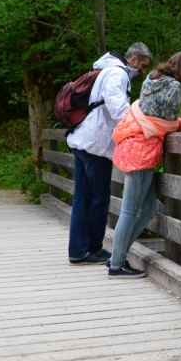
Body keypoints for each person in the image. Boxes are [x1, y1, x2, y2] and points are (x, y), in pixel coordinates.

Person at [107, 51, 181, 278]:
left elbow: (151, 114)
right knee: (129, 212)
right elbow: (164, 123)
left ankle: (116, 257)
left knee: (149, 208)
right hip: (143, 150)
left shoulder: (153, 78)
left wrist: (178, 123)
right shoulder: (175, 88)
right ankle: (117, 264)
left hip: (132, 143)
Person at [66, 43, 153, 265]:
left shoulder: (105, 70)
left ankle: (78, 250)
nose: (142, 72)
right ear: (132, 59)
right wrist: (144, 124)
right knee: (99, 198)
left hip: (84, 139)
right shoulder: (117, 73)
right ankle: (93, 248)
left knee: (82, 197)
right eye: (142, 66)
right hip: (97, 144)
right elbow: (118, 109)